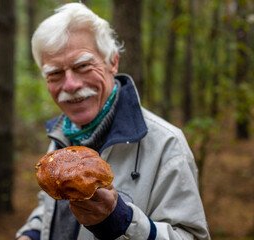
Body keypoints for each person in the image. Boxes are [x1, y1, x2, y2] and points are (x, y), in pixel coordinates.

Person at [16, 2, 210, 240]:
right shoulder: (62, 137)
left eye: (83, 66)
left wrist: (119, 221)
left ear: (113, 62)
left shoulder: (166, 144)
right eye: (55, 73)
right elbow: (50, 210)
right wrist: (32, 234)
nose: (70, 85)